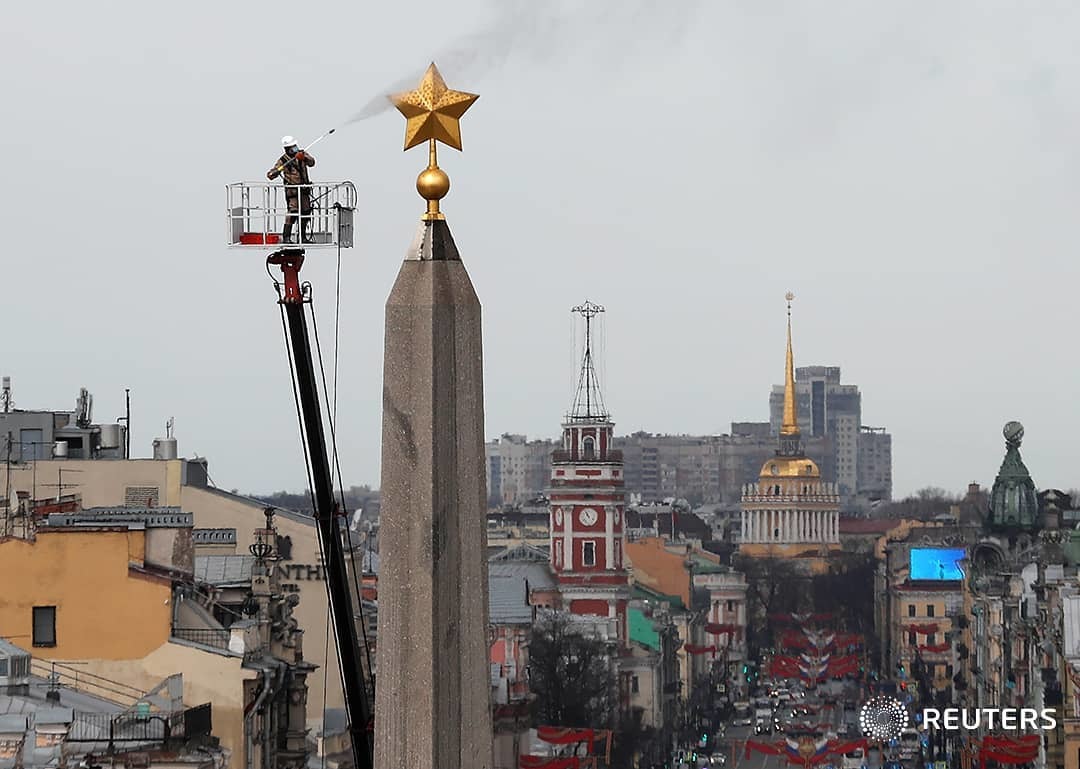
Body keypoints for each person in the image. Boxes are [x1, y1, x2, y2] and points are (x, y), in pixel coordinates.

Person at [267, 135, 316, 244]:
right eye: (292, 147)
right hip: (292, 191)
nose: (295, 148)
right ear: (287, 149)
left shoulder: (302, 154)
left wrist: (304, 158)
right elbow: (271, 174)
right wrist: (274, 172)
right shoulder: (283, 160)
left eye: (295, 146)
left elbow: (312, 163)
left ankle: (302, 237)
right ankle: (286, 238)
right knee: (293, 213)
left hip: (304, 190)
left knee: (306, 212)